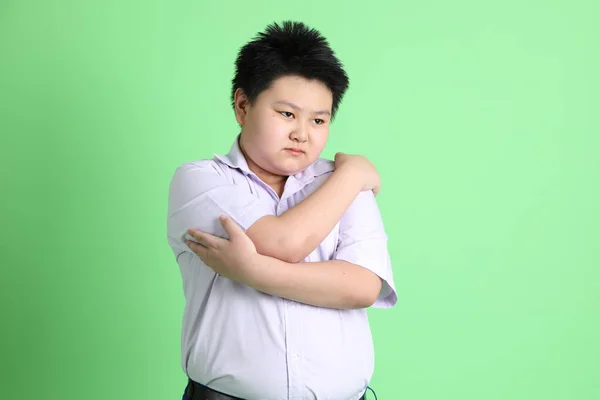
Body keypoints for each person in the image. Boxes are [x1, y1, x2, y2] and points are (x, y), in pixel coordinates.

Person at [167, 20, 397, 400]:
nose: (302, 134)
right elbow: (283, 242)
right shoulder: (201, 180)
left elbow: (361, 286)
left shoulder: (340, 183)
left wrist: (253, 270)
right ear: (243, 105)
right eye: (287, 114)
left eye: (319, 120)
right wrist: (354, 172)